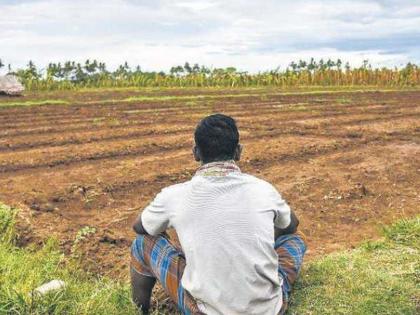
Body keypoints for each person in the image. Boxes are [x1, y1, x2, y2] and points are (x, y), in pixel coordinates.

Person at [131, 114, 306, 315]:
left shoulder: (174, 195)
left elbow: (139, 227)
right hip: (270, 309)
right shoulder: (263, 189)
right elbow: (291, 225)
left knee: (142, 242)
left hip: (203, 310)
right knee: (295, 240)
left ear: (196, 153)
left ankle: (139, 310)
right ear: (238, 152)